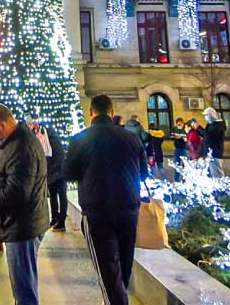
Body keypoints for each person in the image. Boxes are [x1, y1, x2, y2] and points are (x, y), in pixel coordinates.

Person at [64, 94, 147, 305]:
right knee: (125, 259)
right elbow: (144, 173)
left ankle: (117, 301)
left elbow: (69, 174)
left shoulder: (79, 139)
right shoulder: (131, 137)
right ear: (111, 113)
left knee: (106, 265)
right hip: (128, 207)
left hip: (97, 210)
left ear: (91, 112)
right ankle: (120, 297)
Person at [0, 104, 49, 305]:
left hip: (23, 227)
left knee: (24, 291)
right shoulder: (17, 141)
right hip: (25, 222)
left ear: (1, 125)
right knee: (24, 286)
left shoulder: (21, 147)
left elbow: (16, 194)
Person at [29, 121, 66, 232]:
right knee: (53, 195)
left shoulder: (50, 138)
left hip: (58, 171)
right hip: (51, 171)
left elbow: (56, 155)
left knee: (62, 195)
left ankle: (61, 220)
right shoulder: (43, 138)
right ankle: (55, 217)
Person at [203, 107, 226, 176]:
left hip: (215, 153)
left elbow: (209, 136)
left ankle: (221, 186)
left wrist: (198, 128)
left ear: (211, 115)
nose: (205, 117)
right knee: (210, 174)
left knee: (217, 175)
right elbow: (206, 136)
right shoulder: (210, 125)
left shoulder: (218, 125)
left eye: (207, 115)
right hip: (209, 153)